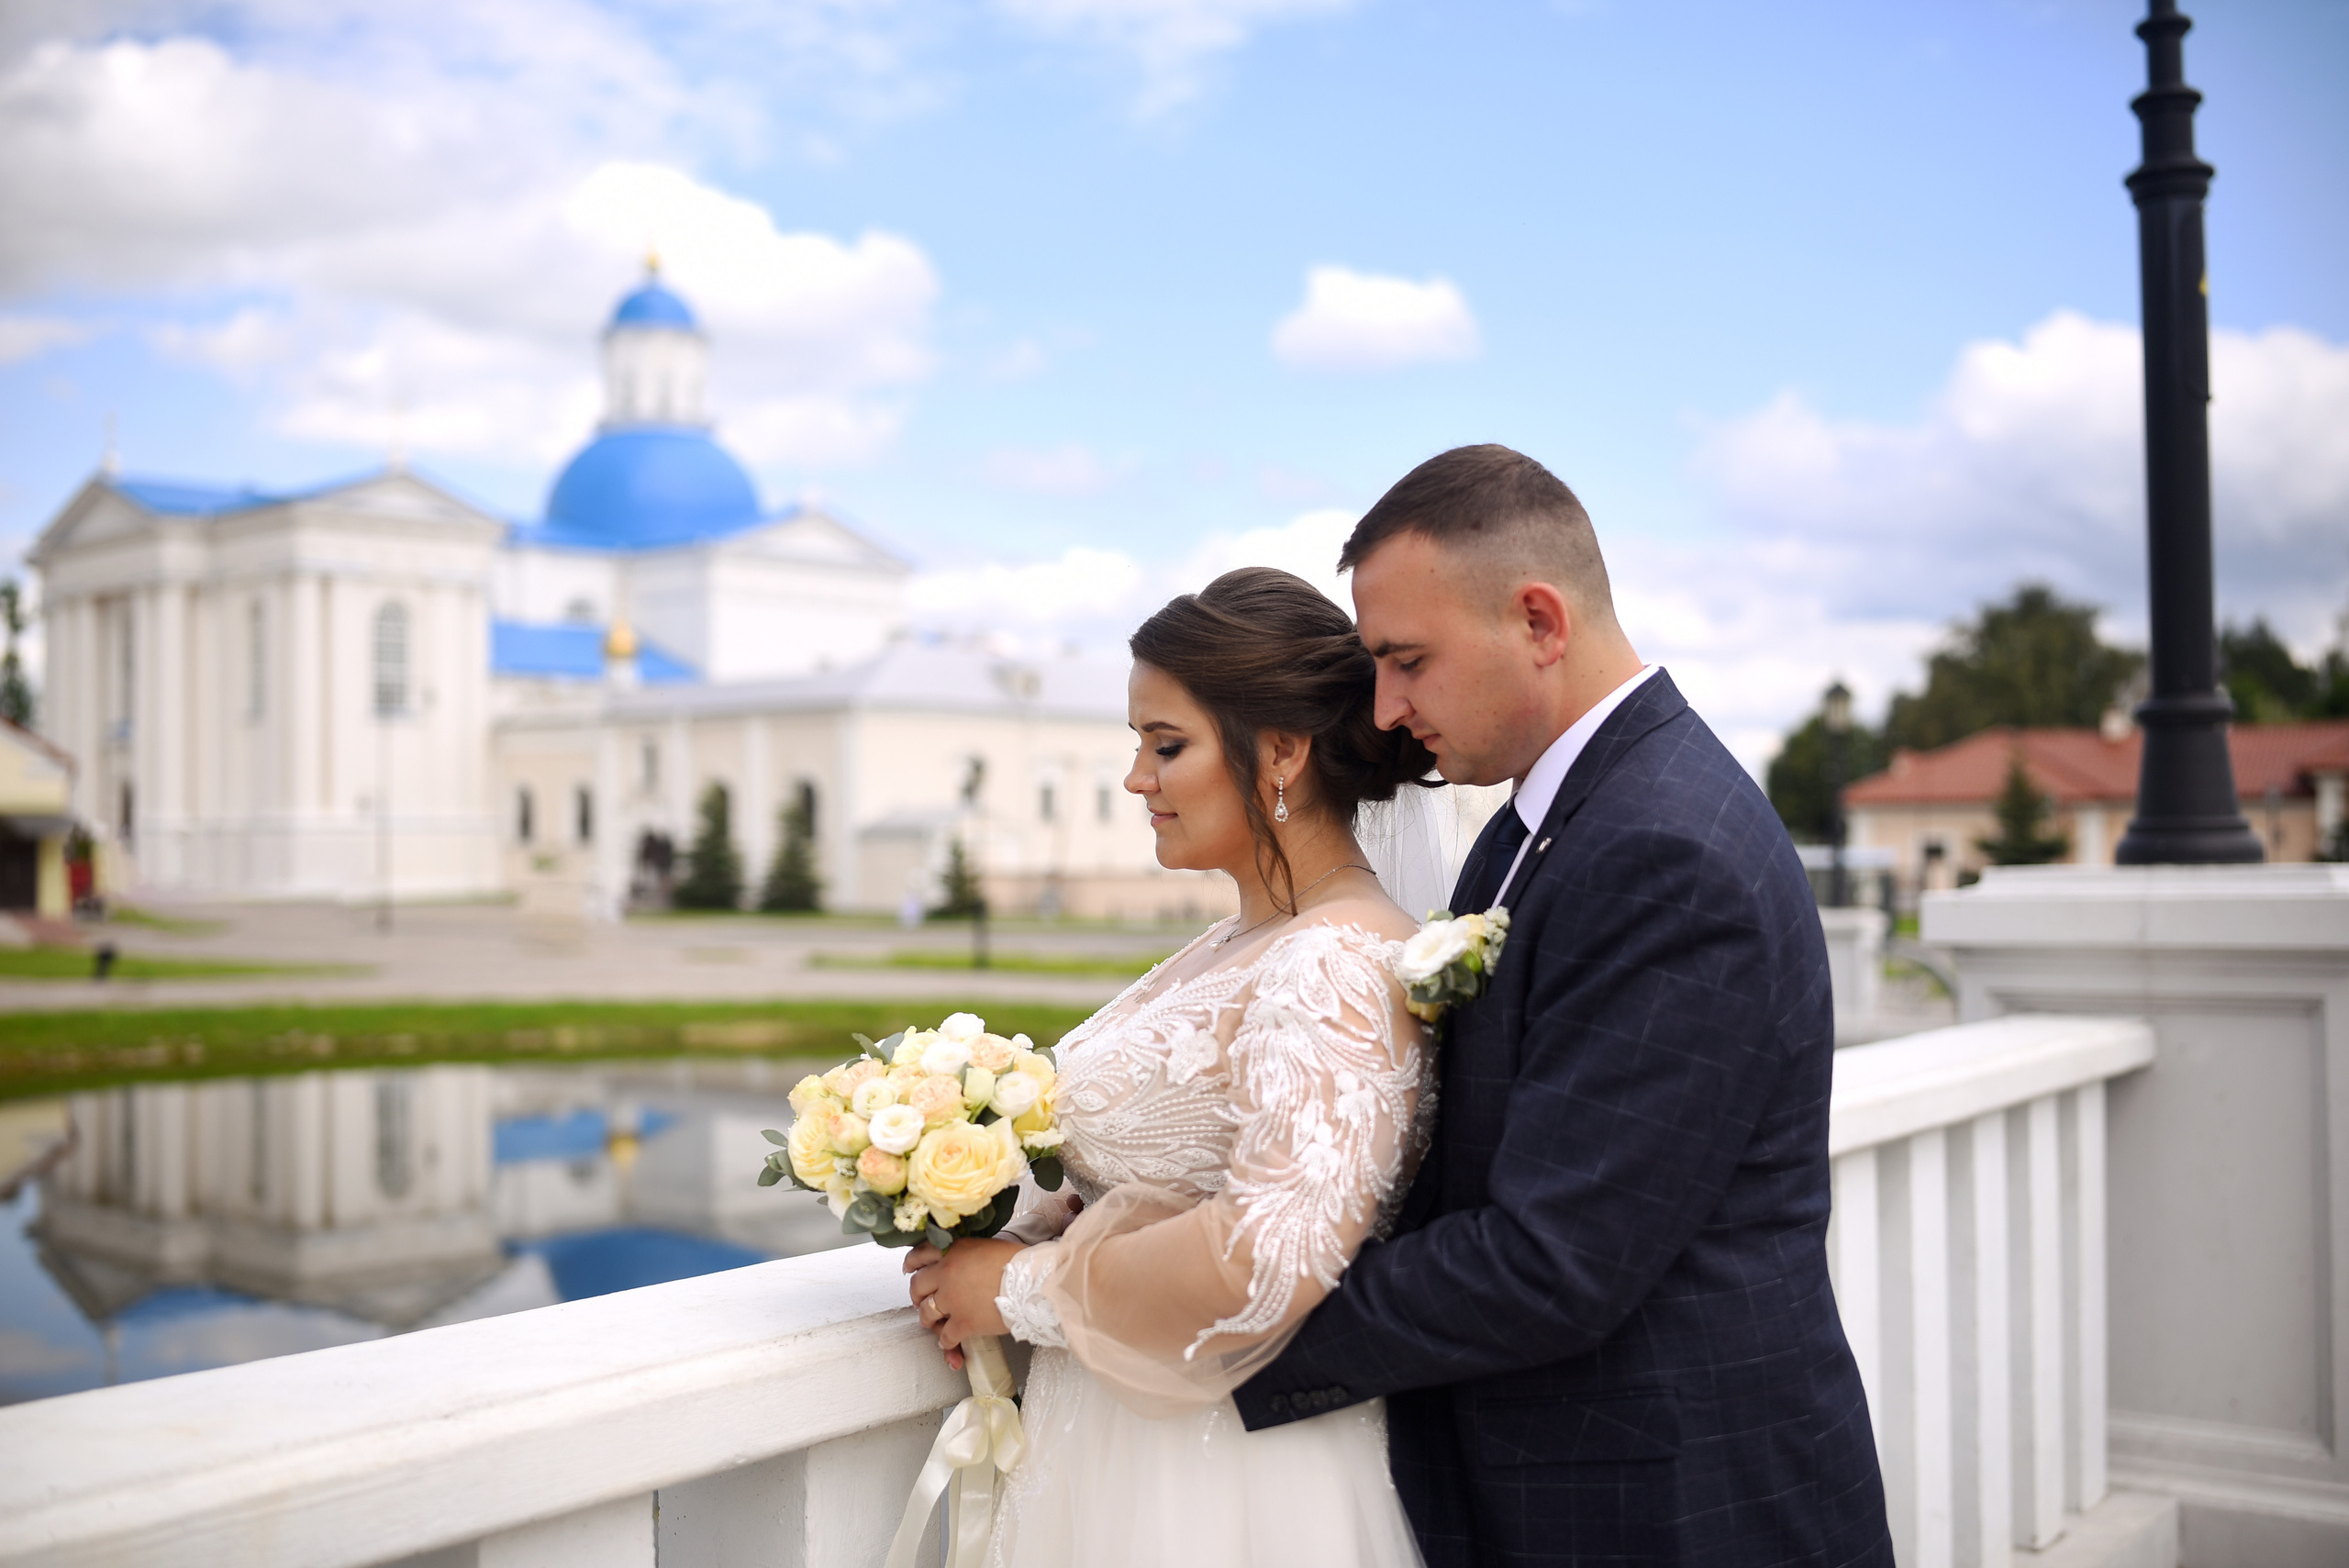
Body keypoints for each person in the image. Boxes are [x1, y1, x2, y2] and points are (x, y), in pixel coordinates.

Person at [1231, 445, 1894, 1567]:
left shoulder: (1663, 850)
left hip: (1673, 1511)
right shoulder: (1544, 816)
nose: (1386, 710)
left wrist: (1216, 1323)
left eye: (1406, 661)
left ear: (1539, 619)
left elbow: (1549, 1261)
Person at [904, 565, 1440, 1567]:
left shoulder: (1332, 961)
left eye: (1167, 744)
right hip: (1111, 1444)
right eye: (1136, 744)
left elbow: (1269, 1254)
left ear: (1280, 749)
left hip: (1220, 1484)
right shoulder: (1235, 940)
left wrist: (1019, 1286)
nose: (1135, 779)